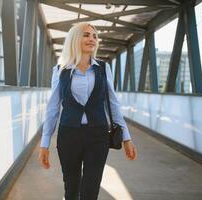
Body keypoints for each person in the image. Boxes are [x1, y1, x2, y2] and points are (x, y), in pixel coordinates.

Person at [38, 22, 137, 200]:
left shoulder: (103, 68)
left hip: (98, 136)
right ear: (75, 39)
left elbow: (113, 104)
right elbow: (53, 108)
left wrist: (127, 138)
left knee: (90, 191)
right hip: (69, 135)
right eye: (86, 35)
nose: (92, 39)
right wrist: (44, 143)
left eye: (94, 36)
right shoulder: (60, 70)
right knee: (71, 189)